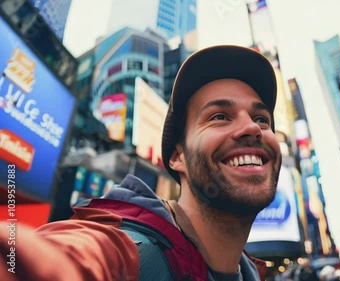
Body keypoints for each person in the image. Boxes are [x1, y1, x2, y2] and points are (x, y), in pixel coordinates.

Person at [0, 45, 282, 281]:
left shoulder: (252, 273)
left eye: (261, 119)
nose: (252, 128)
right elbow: (62, 258)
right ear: (177, 157)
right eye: (219, 116)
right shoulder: (127, 250)